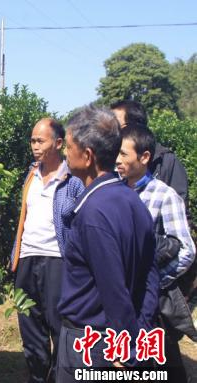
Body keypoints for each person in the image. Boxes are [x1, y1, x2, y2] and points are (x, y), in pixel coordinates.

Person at [57, 105, 159, 382]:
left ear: (87, 155)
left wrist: (127, 353)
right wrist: (141, 333)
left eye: (68, 146)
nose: (64, 153)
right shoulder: (131, 199)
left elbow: (113, 289)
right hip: (122, 335)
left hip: (92, 343)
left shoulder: (94, 213)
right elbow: (151, 275)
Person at [116, 125, 196, 381]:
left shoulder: (164, 195)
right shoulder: (116, 192)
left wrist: (154, 281)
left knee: (160, 362)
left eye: (123, 154)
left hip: (151, 299)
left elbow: (185, 250)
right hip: (122, 295)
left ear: (145, 157)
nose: (117, 160)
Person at [10, 118, 83, 383]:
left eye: (40, 141)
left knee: (59, 326)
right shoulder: (31, 175)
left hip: (57, 261)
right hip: (27, 259)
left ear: (59, 143)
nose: (35, 146)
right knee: (30, 326)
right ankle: (38, 376)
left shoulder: (73, 180)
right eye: (32, 140)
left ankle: (62, 376)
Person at [111, 100, 188, 203]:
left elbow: (180, 206)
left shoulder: (165, 161)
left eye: (115, 126)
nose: (111, 131)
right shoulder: (108, 158)